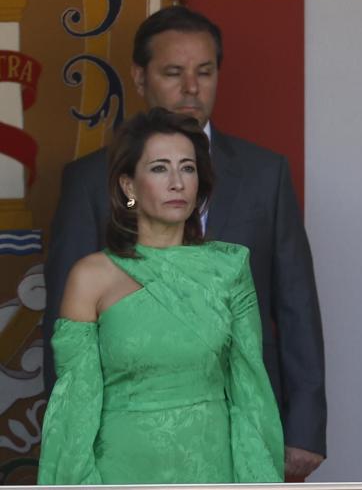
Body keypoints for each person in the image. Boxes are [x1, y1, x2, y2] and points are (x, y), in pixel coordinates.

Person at [42, 6, 326, 479]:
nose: (191, 88)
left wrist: (305, 428)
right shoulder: (87, 181)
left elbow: (297, 304)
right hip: (121, 448)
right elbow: (69, 359)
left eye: (205, 72)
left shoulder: (265, 173)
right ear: (140, 76)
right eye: (174, 72)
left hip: (233, 434)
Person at [37, 107, 283, 484]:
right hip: (121, 470)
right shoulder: (90, 277)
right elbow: (74, 407)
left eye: (187, 168)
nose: (177, 182)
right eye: (159, 168)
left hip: (211, 468)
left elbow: (251, 394)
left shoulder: (229, 268)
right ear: (129, 186)